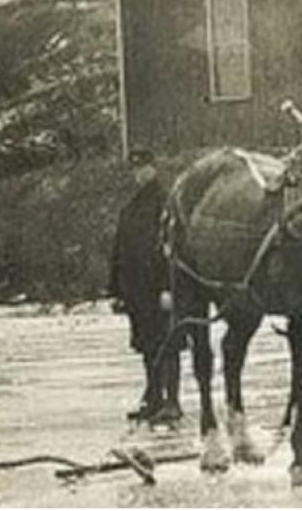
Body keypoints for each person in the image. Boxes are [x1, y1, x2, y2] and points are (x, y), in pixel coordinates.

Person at [108, 149, 182, 424]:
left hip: (160, 289)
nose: (139, 174)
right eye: (135, 169)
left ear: (153, 168)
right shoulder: (132, 207)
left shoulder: (167, 203)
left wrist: (169, 287)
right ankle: (153, 398)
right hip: (137, 290)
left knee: (169, 343)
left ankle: (172, 401)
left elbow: (171, 249)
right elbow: (120, 250)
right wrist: (115, 290)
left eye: (143, 168)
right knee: (147, 345)